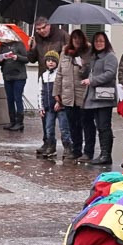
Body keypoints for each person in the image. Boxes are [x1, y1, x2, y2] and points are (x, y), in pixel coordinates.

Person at [28, 16, 70, 151]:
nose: (40, 31)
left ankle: (68, 145)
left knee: (63, 118)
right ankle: (48, 142)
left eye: (43, 28)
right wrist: (31, 48)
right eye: (38, 29)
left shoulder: (62, 35)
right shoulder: (37, 38)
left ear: (49, 25)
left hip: (60, 79)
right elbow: (32, 59)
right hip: (44, 78)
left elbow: (70, 55)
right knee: (46, 115)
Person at [80, 32, 119, 166]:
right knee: (96, 125)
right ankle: (102, 153)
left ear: (106, 42)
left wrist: (93, 81)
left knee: (104, 126)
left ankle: (106, 154)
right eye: (96, 41)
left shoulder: (110, 57)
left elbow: (110, 74)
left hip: (104, 97)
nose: (99, 43)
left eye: (101, 41)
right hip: (94, 98)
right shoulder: (94, 57)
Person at [54, 30, 90, 162]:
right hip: (67, 94)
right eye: (74, 38)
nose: (76, 40)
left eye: (79, 38)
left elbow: (88, 74)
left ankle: (87, 151)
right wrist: (56, 92)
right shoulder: (65, 52)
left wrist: (82, 65)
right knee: (72, 125)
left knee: (83, 124)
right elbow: (59, 73)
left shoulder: (87, 52)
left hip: (82, 94)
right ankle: (76, 150)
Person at [0, 37, 29, 132]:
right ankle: (12, 121)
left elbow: (27, 59)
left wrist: (17, 57)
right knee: (9, 99)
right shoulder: (1, 46)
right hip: (7, 76)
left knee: (17, 98)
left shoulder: (19, 44)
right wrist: (0, 60)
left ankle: (20, 122)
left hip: (19, 76)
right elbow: (1, 63)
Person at [37, 51, 60, 158]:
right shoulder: (43, 76)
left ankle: (69, 147)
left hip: (58, 105)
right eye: (48, 61)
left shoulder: (59, 75)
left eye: (53, 61)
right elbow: (40, 91)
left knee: (65, 129)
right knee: (49, 128)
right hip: (48, 107)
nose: (50, 63)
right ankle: (51, 146)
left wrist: (59, 102)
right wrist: (41, 107)